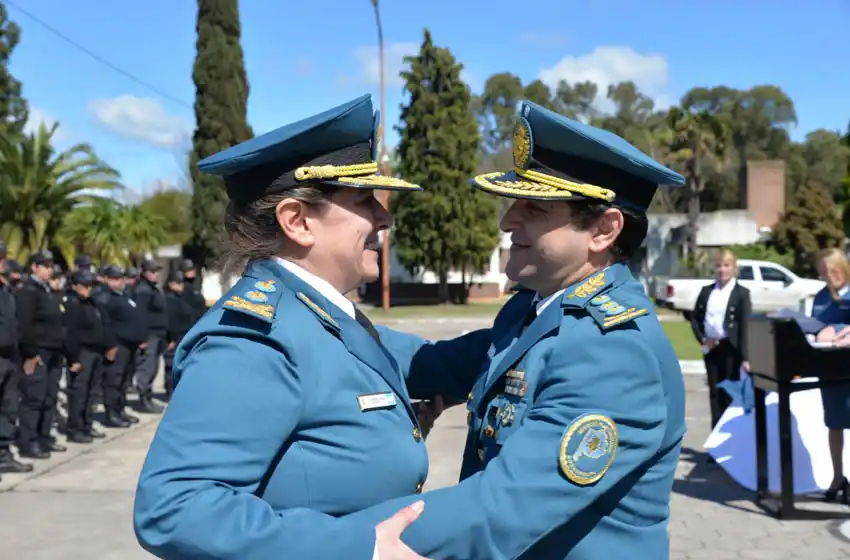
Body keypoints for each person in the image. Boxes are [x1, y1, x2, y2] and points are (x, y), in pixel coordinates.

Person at [133, 94, 488, 560]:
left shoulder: (323, 316)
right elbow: (174, 507)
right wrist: (356, 547)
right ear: (297, 221)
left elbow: (437, 365)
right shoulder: (254, 340)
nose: (384, 217)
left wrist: (542, 309)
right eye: (365, 200)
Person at [338, 101, 687, 559]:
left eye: (535, 209)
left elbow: (498, 509)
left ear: (603, 230)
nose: (507, 222)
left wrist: (333, 543)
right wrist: (323, 327)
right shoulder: (534, 311)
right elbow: (435, 363)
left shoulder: (613, 350)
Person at [690, 249, 752, 428]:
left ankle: (731, 440)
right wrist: (703, 339)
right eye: (719, 266)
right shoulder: (707, 291)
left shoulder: (741, 293)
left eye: (726, 266)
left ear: (734, 268)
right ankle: (715, 441)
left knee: (730, 394)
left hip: (731, 349)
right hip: (712, 348)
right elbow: (696, 318)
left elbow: (745, 326)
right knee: (715, 394)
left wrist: (746, 357)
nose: (722, 270)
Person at [16, 250, 68, 459]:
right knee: (33, 399)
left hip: (54, 351)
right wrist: (31, 354)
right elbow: (24, 325)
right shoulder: (29, 291)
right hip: (39, 352)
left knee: (49, 398)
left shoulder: (48, 290)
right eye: (44, 265)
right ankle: (28, 442)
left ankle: (44, 437)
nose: (49, 269)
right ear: (34, 267)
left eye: (50, 265)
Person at [808, 248, 850, 502]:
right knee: (834, 424)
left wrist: (840, 329)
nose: (829, 276)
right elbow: (815, 326)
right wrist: (818, 333)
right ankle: (837, 477)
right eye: (824, 272)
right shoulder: (821, 298)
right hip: (831, 371)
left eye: (833, 271)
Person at [62, 269, 109, 443]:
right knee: (79, 394)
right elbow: (69, 333)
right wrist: (73, 358)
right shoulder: (72, 303)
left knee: (92, 393)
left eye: (90, 286)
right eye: (84, 286)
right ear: (75, 286)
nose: (87, 289)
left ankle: (87, 425)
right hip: (82, 353)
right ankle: (75, 428)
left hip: (96, 352)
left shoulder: (91, 303)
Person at [95, 264, 145, 428]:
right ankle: (112, 414)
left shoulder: (124, 295)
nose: (117, 282)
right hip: (117, 345)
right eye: (114, 279)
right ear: (107, 279)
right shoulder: (105, 298)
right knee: (113, 382)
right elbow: (105, 324)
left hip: (130, 346)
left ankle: (120, 409)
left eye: (120, 279)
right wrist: (110, 346)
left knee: (124, 381)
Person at [0, 241, 32, 474]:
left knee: (8, 407)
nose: (2, 261)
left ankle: (3, 454)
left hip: (10, 356)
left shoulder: (7, 290)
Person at [132, 259, 167, 414]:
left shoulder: (153, 289)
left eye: (156, 271)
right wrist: (142, 338)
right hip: (149, 335)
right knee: (147, 368)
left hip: (158, 334)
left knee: (153, 368)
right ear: (145, 273)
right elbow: (140, 316)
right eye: (152, 272)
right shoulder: (143, 290)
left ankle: (148, 397)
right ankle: (144, 400)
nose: (156, 274)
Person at [162, 270, 193, 401]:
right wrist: (172, 339)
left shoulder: (179, 297)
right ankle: (170, 392)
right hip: (175, 337)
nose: (181, 286)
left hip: (183, 336)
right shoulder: (170, 299)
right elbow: (171, 321)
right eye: (178, 283)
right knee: (172, 365)